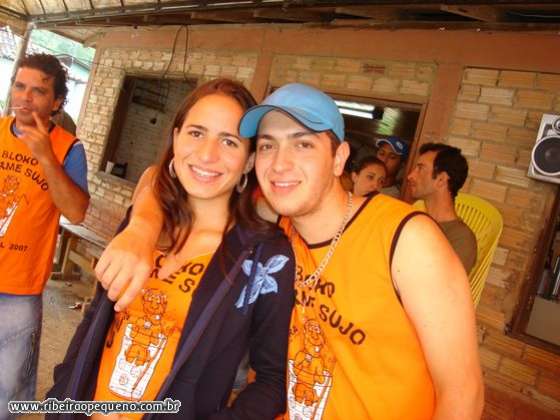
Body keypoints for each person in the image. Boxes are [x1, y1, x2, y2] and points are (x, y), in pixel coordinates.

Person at [95, 83, 484, 420]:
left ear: (339, 158)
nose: (280, 164)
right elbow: (166, 176)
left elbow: (463, 394)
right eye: (268, 145)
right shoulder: (277, 228)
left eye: (303, 144)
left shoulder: (407, 239)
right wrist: (142, 227)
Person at [47, 79, 295, 420]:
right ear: (175, 138)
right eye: (196, 133)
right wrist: (63, 391)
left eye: (229, 141)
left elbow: (273, 381)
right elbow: (96, 316)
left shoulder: (264, 256)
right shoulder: (142, 225)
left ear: (249, 160)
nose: (207, 154)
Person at [0, 53, 89, 418]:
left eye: (38, 91)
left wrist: (45, 157)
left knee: (6, 388)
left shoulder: (69, 148)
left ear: (56, 102)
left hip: (19, 289)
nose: (25, 97)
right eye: (20, 86)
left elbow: (76, 212)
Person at [407, 142, 478, 274]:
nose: (410, 176)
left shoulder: (461, 239)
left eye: (420, 168)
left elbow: (443, 284)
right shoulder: (415, 222)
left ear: (441, 179)